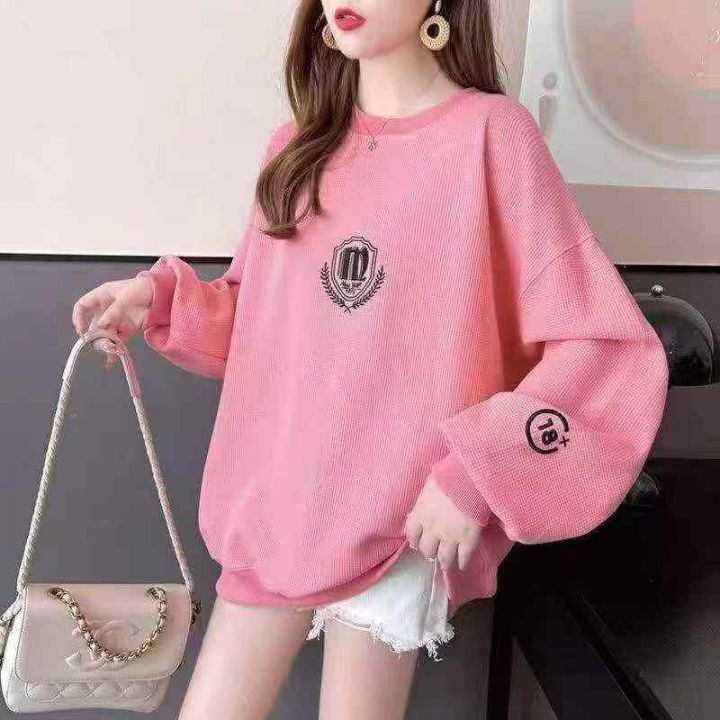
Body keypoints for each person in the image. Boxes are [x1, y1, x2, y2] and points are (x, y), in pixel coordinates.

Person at [71, 1, 670, 718]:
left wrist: (474, 472)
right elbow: (268, 324)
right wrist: (160, 298)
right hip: (280, 502)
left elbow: (599, 341)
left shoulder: (491, 135)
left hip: (402, 514)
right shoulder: (296, 148)